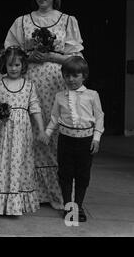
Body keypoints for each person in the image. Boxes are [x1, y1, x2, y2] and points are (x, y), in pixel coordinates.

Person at [4, 0, 84, 210]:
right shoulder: (22, 21)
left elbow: (77, 58)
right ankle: (30, 191)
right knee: (28, 132)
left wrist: (52, 56)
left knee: (55, 133)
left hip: (57, 85)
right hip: (29, 84)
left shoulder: (68, 21)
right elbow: (8, 52)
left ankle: (55, 193)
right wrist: (27, 55)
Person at [40, 56, 104, 222]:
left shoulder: (92, 95)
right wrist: (47, 133)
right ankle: (69, 208)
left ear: (84, 76)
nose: (71, 79)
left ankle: (79, 206)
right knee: (65, 174)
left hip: (85, 142)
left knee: (82, 175)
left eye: (75, 76)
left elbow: (99, 117)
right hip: (66, 141)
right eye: (67, 76)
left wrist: (96, 138)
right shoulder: (60, 96)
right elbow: (54, 118)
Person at [0, 46, 46, 216]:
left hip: (22, 133)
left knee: (20, 161)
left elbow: (35, 107)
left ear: (23, 65)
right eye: (10, 65)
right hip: (3, 132)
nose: (13, 68)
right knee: (2, 161)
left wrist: (41, 130)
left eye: (17, 65)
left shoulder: (29, 86)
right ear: (4, 66)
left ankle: (17, 200)